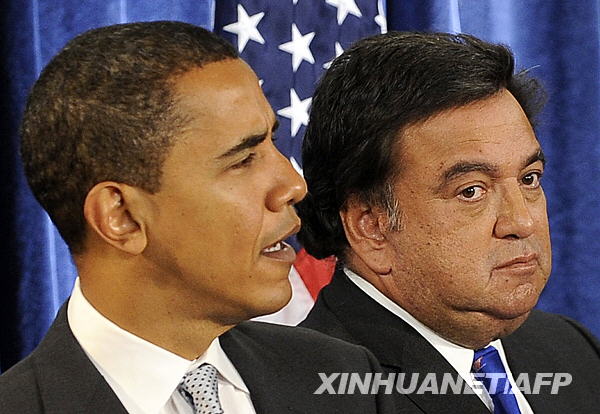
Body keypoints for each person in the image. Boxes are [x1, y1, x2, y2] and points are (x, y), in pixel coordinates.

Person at [0, 22, 394, 413]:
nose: (294, 186)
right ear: (123, 217)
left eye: (271, 142)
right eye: (243, 160)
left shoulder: (345, 380)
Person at [298, 31, 600, 414]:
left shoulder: (571, 350)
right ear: (371, 228)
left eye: (529, 179)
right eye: (471, 191)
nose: (522, 222)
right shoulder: (314, 392)